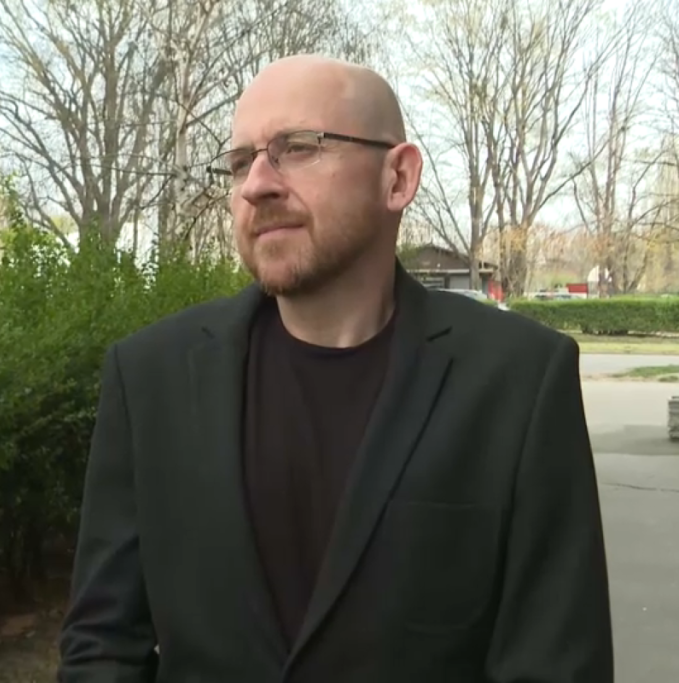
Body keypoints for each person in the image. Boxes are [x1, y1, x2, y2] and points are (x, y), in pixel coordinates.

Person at [57, 55, 613, 683]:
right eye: (240, 162)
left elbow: (557, 663)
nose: (256, 185)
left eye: (298, 147)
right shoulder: (150, 378)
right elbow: (102, 647)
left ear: (397, 177)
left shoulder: (519, 380)